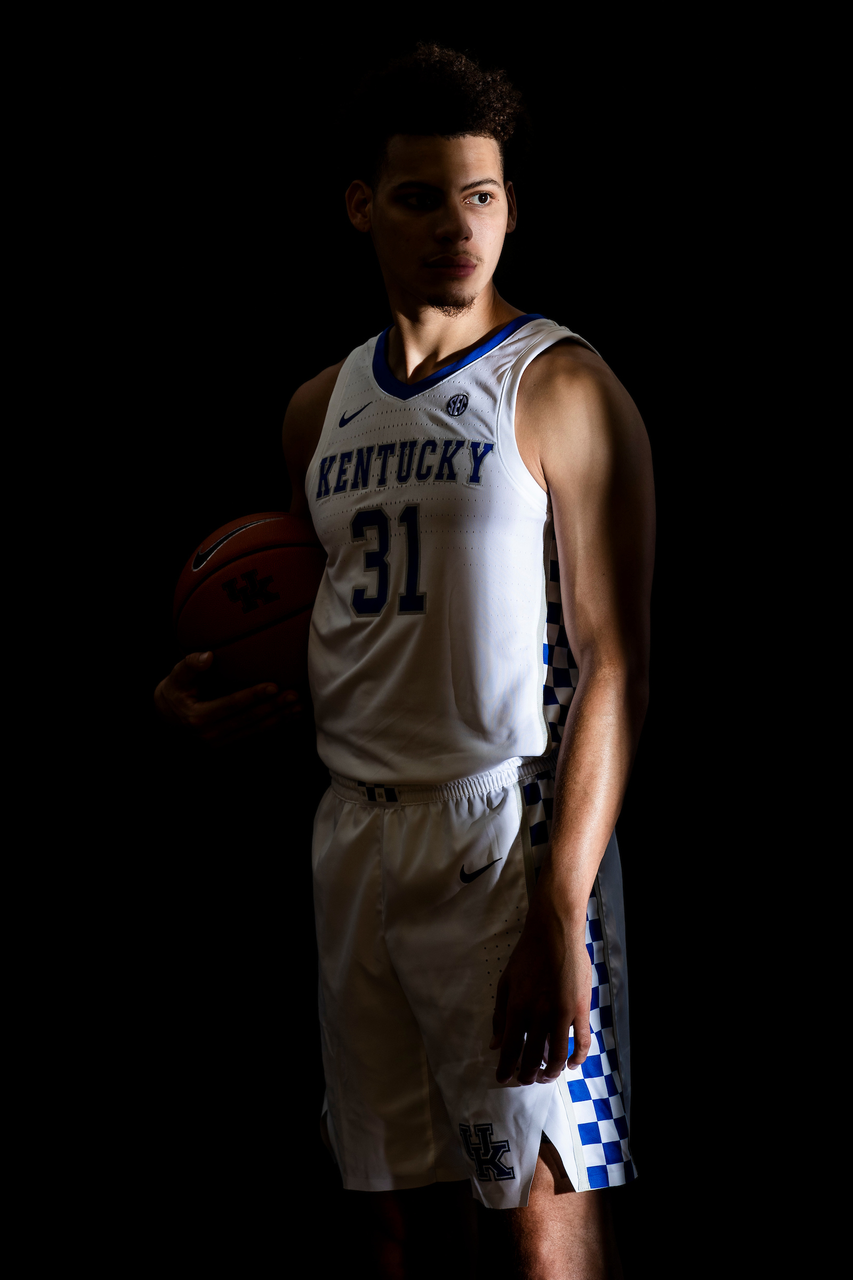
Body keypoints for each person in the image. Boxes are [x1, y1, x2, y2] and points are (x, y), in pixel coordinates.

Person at [155, 42, 654, 1280]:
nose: (456, 225)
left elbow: (616, 663)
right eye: (422, 195)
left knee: (542, 1215)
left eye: (480, 196)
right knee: (381, 1212)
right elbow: (327, 620)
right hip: (356, 838)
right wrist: (203, 688)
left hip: (507, 829)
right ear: (360, 204)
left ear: (510, 206)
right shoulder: (317, 407)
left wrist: (559, 907)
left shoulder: (561, 384)